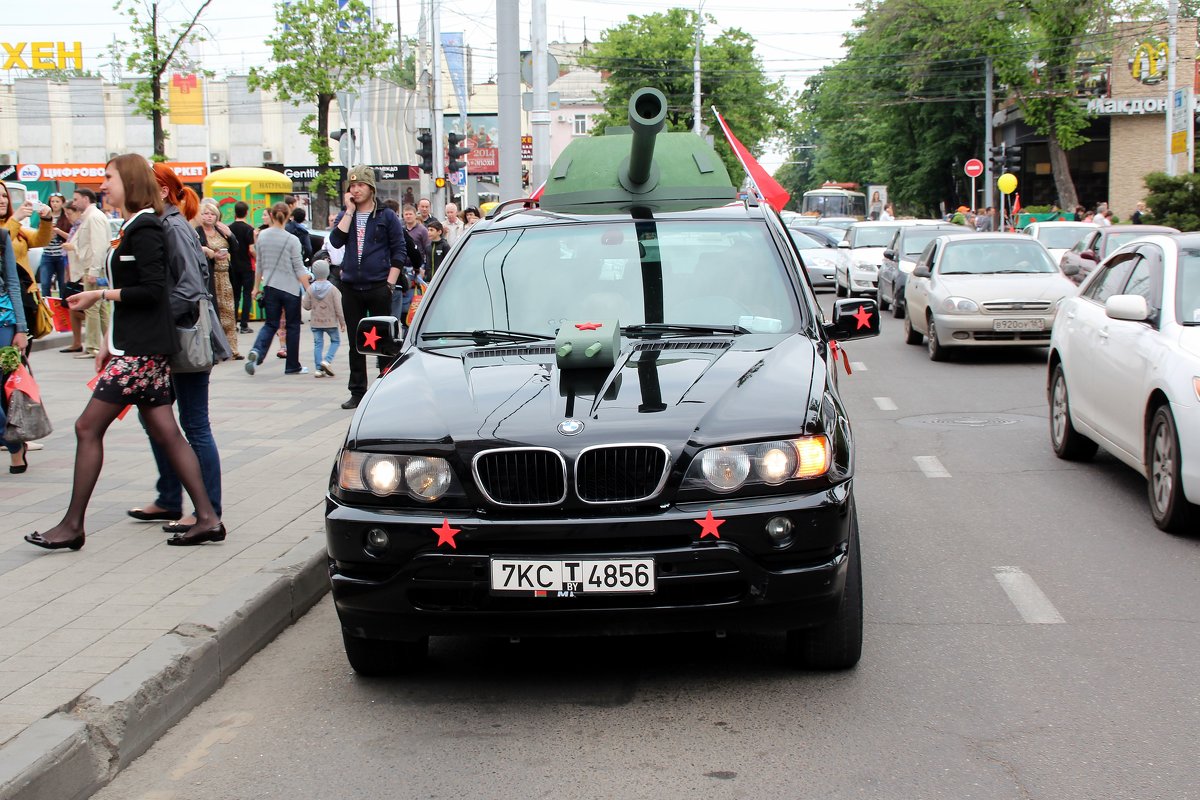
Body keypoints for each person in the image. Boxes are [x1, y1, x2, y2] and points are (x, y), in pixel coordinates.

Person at [31, 153, 224, 550]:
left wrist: (99, 294)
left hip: (142, 352)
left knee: (88, 428)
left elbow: (153, 292)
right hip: (139, 349)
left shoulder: (147, 227)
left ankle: (72, 526)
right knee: (168, 432)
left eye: (108, 177)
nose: (102, 185)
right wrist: (107, 342)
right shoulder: (138, 225)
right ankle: (207, 517)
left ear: (129, 183)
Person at [127, 162, 232, 533]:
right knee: (155, 417)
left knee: (193, 424)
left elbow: (189, 288)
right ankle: (170, 497)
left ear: (165, 191)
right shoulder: (164, 225)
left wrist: (153, 318)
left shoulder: (172, 227)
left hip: (184, 339)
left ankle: (208, 509)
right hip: (171, 340)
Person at [328, 165, 411, 409]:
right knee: (356, 342)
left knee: (383, 340)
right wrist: (350, 211)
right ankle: (357, 392)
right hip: (351, 287)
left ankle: (385, 387)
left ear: (371, 188)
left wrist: (390, 282)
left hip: (379, 286)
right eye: (352, 186)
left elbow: (399, 249)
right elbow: (335, 241)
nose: (356, 190)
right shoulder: (347, 215)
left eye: (360, 185)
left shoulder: (386, 216)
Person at [245, 202, 312, 375]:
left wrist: (255, 288)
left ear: (272, 215)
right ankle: (292, 365)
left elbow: (259, 264)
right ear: (288, 216)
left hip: (270, 286)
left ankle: (257, 351)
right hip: (290, 288)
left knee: (271, 323)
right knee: (293, 326)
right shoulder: (292, 240)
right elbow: (298, 267)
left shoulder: (262, 236)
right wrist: (308, 289)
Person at [0, 180, 54, 354]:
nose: (2, 200)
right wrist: (15, 219)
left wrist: (46, 220)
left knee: (19, 361)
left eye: (4, 196)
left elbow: (40, 240)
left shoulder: (18, 228)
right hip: (5, 302)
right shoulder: (12, 225)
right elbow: (3, 238)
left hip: (23, 298)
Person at [0, 227, 31, 474]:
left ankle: (13, 443)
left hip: (3, 323)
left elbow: (12, 281)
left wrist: (21, 328)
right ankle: (12, 441)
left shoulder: (1, 236)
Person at [195, 198, 243, 359]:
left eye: (212, 214)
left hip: (225, 275)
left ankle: (232, 349)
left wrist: (230, 235)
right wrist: (211, 254)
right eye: (205, 214)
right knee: (213, 312)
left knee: (228, 311)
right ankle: (216, 349)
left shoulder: (222, 230)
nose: (208, 217)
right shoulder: (198, 232)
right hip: (209, 276)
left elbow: (236, 248)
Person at [72, 187, 112, 359]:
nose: (74, 203)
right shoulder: (90, 216)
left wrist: (94, 270)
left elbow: (99, 245)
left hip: (93, 267)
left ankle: (93, 346)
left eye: (76, 199)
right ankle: (107, 343)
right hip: (92, 266)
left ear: (86, 199)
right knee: (101, 307)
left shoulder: (94, 217)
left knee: (92, 308)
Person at [302, 259, 344, 377]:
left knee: (318, 344)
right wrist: (342, 322)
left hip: (316, 322)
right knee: (335, 341)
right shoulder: (333, 289)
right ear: (327, 272)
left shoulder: (310, 288)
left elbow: (306, 305)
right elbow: (338, 307)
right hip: (330, 322)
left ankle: (318, 369)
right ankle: (327, 360)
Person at [60, 200, 85, 352]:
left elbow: (86, 247)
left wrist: (73, 247)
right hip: (71, 271)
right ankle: (76, 342)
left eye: (69, 214)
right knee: (70, 306)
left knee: (79, 308)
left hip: (80, 272)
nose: (68, 217)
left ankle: (100, 328)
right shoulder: (74, 227)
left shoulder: (83, 226)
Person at [37, 193, 72, 300]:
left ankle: (62, 310)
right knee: (45, 284)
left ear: (62, 203)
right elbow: (39, 234)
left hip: (62, 255)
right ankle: (47, 309)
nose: (55, 204)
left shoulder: (67, 216)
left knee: (63, 284)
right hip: (47, 253)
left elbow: (72, 237)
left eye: (57, 201)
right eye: (52, 201)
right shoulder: (46, 215)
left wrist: (58, 231)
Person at [229, 201, 256, 334]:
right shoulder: (249, 229)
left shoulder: (229, 228)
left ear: (235, 212)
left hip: (233, 266)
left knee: (235, 296)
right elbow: (251, 249)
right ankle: (244, 324)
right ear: (246, 212)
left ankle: (233, 324)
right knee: (247, 295)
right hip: (247, 266)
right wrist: (257, 258)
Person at [284, 195, 313, 264]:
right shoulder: (303, 231)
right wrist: (303, 259)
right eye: (295, 204)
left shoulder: (284, 226)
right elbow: (308, 249)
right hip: (296, 260)